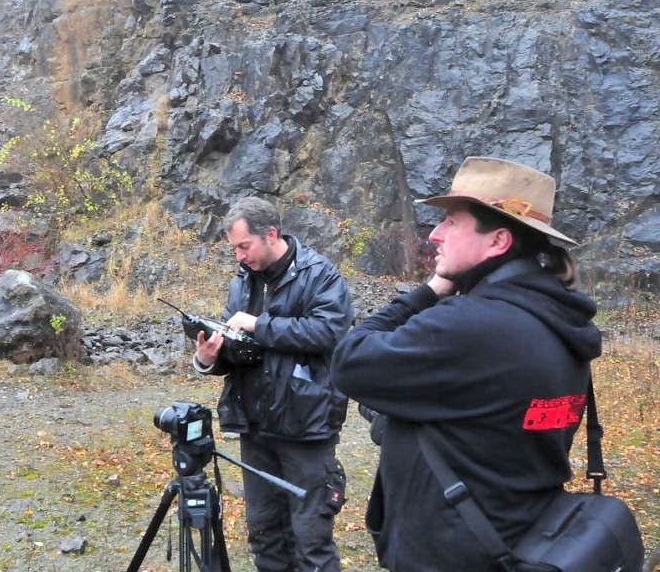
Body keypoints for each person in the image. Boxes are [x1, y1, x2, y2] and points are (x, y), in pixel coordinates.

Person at [330, 157, 602, 571]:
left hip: (448, 551)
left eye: (452, 222)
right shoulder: (559, 319)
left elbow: (350, 360)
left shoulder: (468, 325)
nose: (435, 235)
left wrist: (430, 290)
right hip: (520, 539)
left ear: (497, 242)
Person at [193, 196, 354, 572]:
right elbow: (239, 347)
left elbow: (331, 332)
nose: (238, 256)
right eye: (234, 248)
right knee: (264, 534)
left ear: (270, 234)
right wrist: (209, 358)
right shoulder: (243, 280)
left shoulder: (319, 274)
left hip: (306, 428)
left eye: (243, 246)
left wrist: (259, 325)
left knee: (310, 539)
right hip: (255, 427)